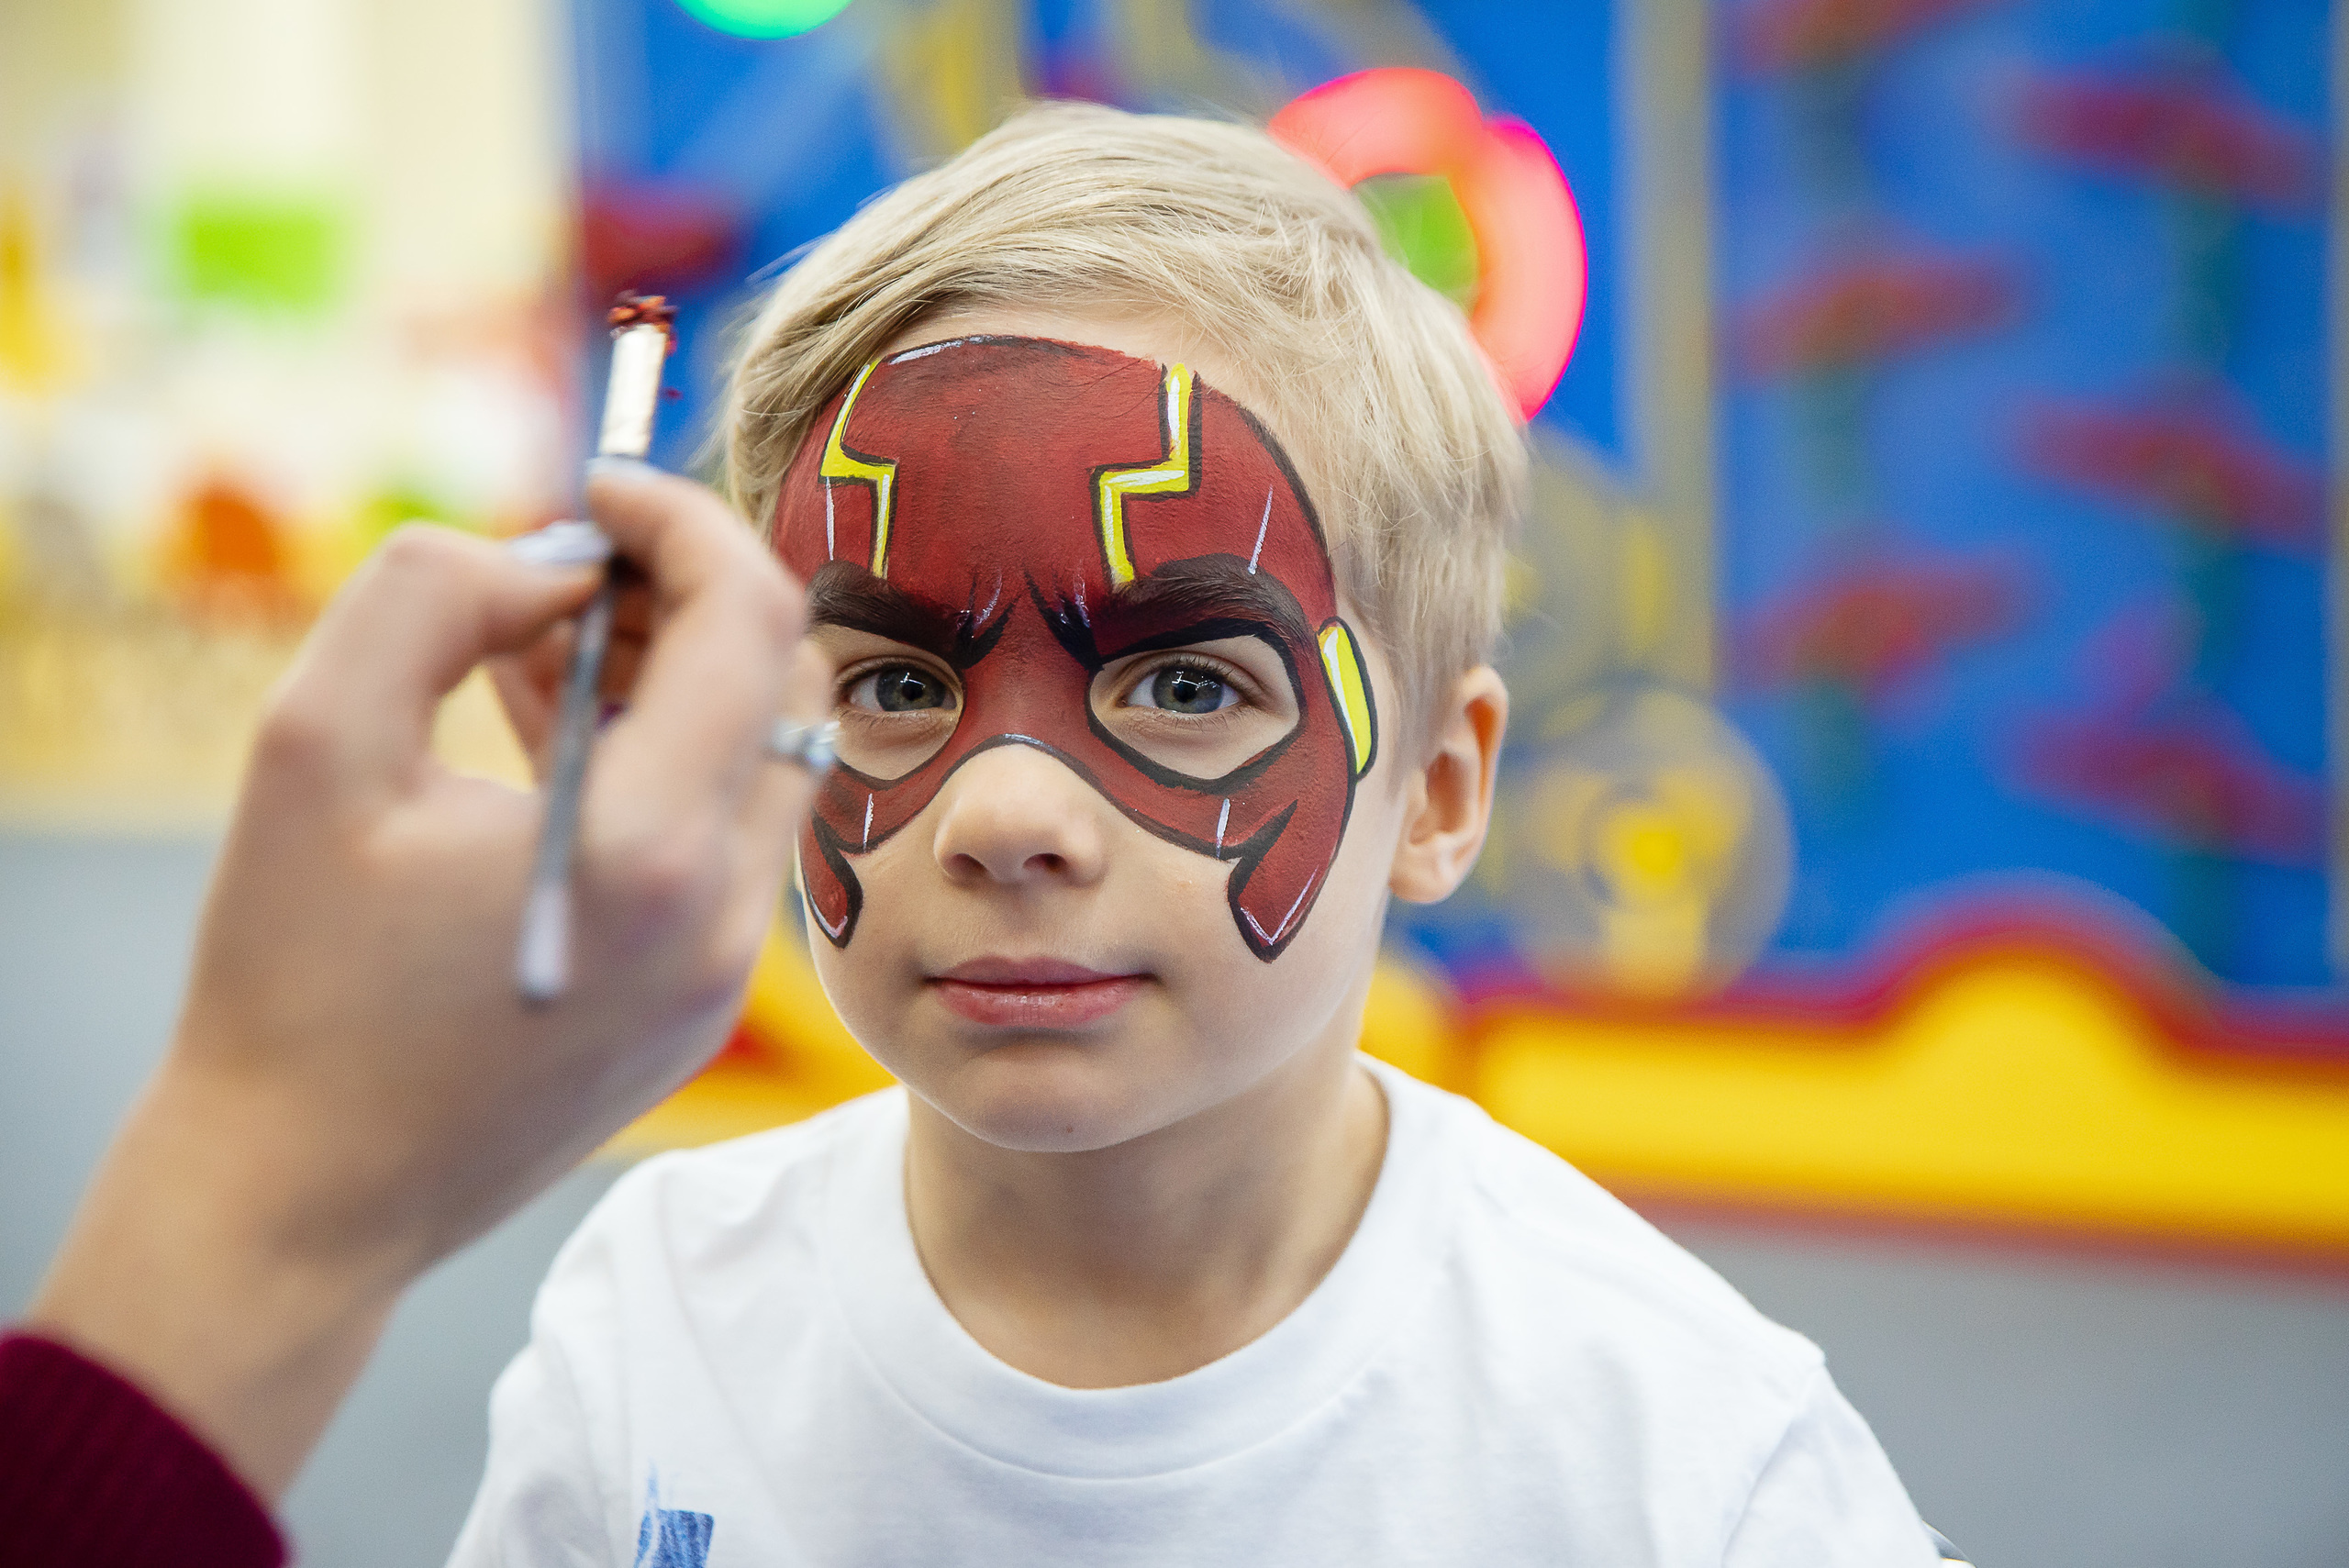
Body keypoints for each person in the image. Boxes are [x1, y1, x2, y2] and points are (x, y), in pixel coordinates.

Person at [450, 104, 1943, 1566]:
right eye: (896, 684)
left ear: (1435, 785)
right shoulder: (655, 1316)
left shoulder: (1685, 1457)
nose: (1006, 813)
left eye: (1184, 683)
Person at [0, 462, 818, 1568]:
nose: (1011, 816)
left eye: (1150, 681)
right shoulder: (647, 1284)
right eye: (900, 688)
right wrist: (283, 1168)